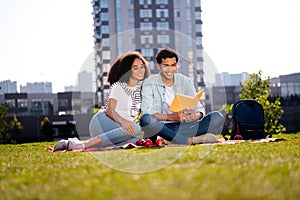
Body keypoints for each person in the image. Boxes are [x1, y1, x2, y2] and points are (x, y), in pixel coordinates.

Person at [54, 51, 150, 151]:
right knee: (136, 128)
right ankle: (84, 145)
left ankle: (73, 144)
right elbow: (110, 111)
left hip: (115, 131)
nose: (140, 70)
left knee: (138, 140)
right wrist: (125, 122)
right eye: (135, 67)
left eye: (142, 67)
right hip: (102, 122)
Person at [140, 47, 224, 145]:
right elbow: (147, 112)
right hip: (162, 127)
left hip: (185, 126)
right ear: (159, 66)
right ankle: (190, 140)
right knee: (145, 120)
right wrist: (172, 117)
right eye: (166, 65)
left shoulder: (186, 81)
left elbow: (200, 109)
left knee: (217, 117)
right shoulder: (149, 83)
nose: (170, 69)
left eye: (173, 65)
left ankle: (169, 139)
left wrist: (195, 115)